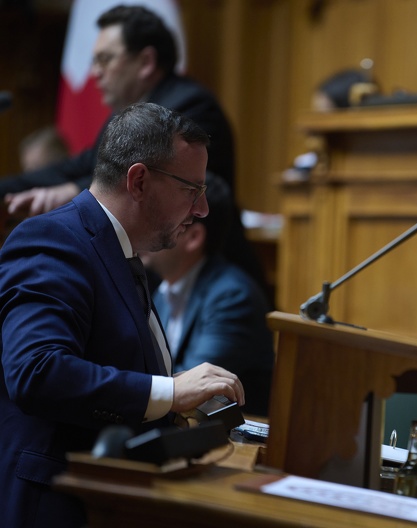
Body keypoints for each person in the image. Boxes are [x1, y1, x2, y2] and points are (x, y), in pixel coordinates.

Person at [0, 102, 245, 528]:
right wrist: (170, 392)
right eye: (192, 189)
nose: (202, 208)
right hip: (58, 504)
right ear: (139, 181)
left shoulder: (123, 252)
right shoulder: (55, 240)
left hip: (111, 497)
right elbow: (36, 370)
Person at [0, 4, 267, 292]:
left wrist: (70, 191)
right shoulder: (126, 114)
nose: (95, 72)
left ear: (146, 61)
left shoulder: (185, 112)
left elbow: (128, 178)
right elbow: (82, 166)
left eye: (105, 59)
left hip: (208, 289)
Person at [142, 173, 274, 417]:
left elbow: (193, 389)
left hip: (237, 446)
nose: (146, 225)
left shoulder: (232, 297)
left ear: (193, 237)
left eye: (160, 218)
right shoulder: (162, 291)